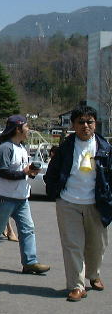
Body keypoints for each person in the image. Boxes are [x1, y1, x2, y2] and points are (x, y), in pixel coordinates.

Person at [44, 105, 112, 302]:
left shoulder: (105, 148)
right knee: (73, 245)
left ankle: (93, 274)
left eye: (89, 122)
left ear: (95, 124)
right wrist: (55, 193)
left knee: (97, 245)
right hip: (68, 202)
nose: (85, 126)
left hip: (97, 203)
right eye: (80, 122)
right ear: (73, 125)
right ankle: (76, 285)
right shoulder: (65, 148)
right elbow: (52, 173)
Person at [0, 114, 50, 274]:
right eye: (26, 126)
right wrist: (24, 172)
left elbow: (21, 170)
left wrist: (31, 172)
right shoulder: (5, 148)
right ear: (18, 129)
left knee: (28, 229)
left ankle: (30, 262)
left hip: (22, 197)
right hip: (5, 198)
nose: (29, 129)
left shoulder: (22, 148)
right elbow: (3, 172)